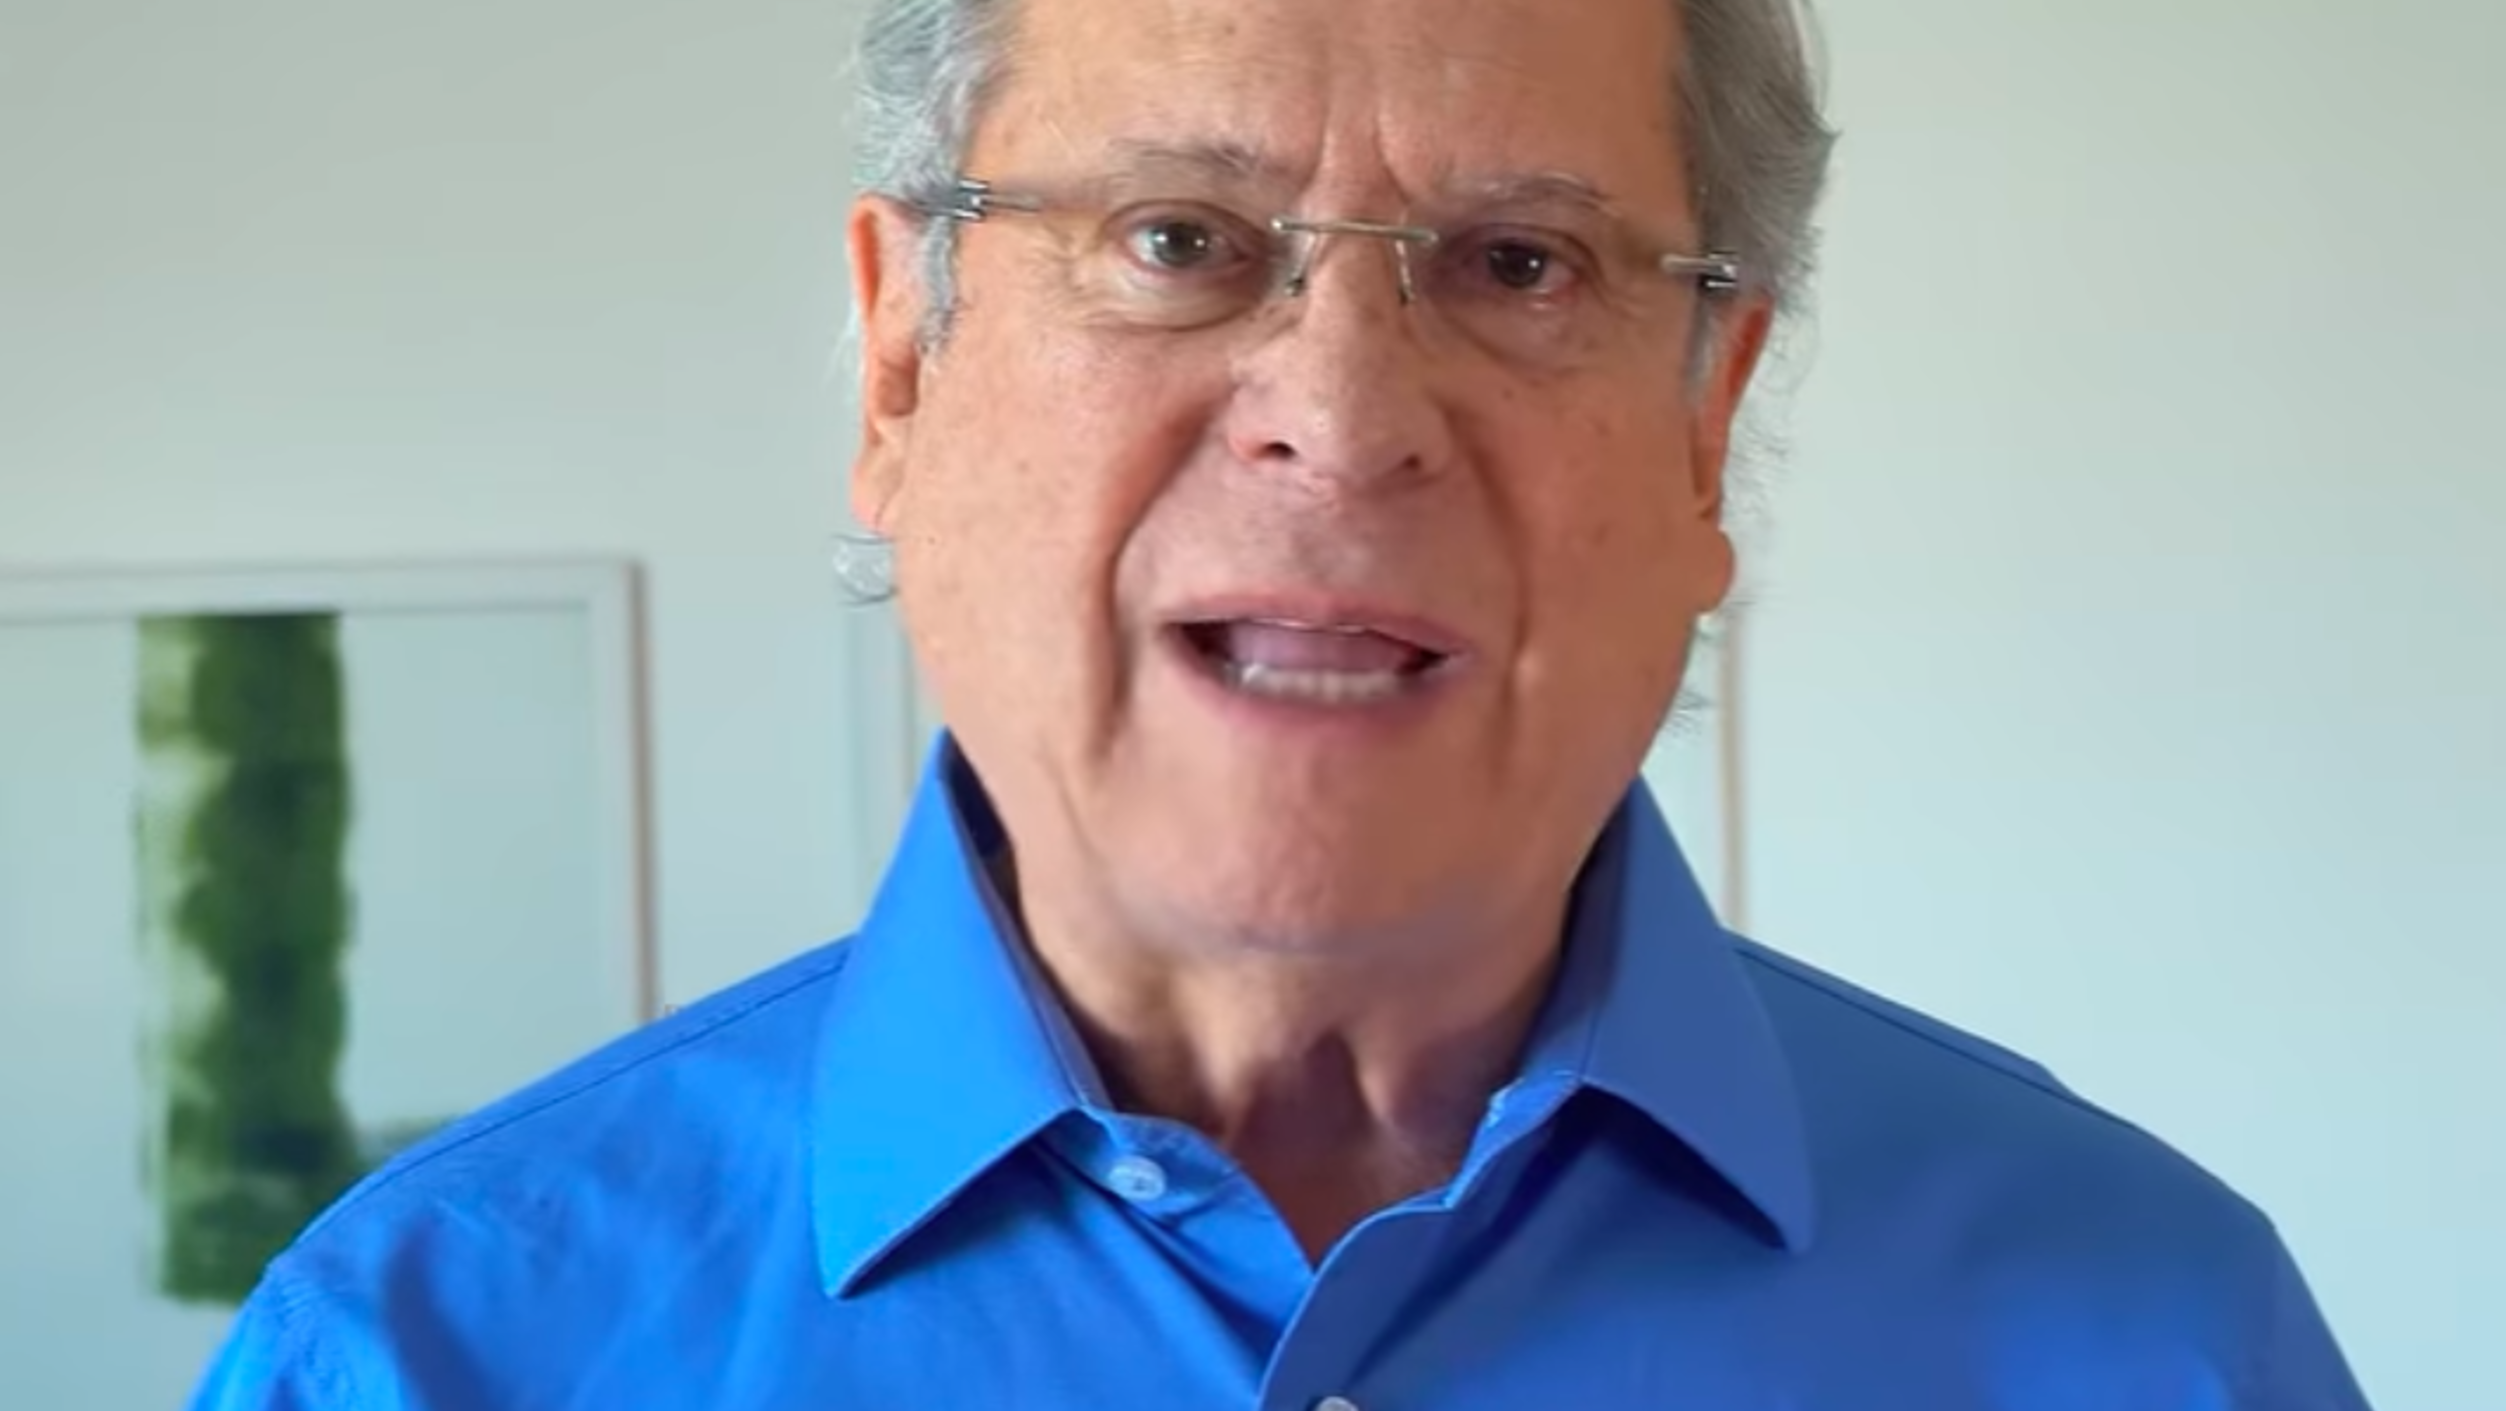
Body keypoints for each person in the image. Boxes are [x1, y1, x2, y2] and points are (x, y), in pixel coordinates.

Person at [191, 0, 2373, 1405]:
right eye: (1176, 238)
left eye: (1517, 264)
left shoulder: (2154, 1330)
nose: (1340, 419)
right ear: (899, 364)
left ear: (1708, 420)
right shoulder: (430, 1348)